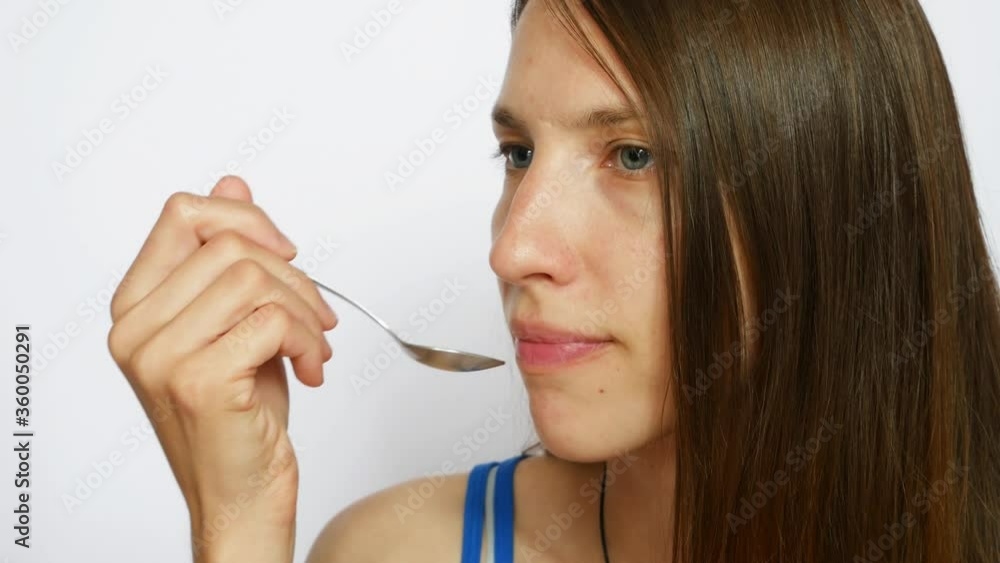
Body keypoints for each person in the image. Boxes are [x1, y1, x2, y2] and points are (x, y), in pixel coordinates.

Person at [107, 0, 1000, 561]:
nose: (512, 248)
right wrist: (240, 526)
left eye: (634, 154)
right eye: (518, 152)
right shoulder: (394, 550)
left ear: (831, 196)